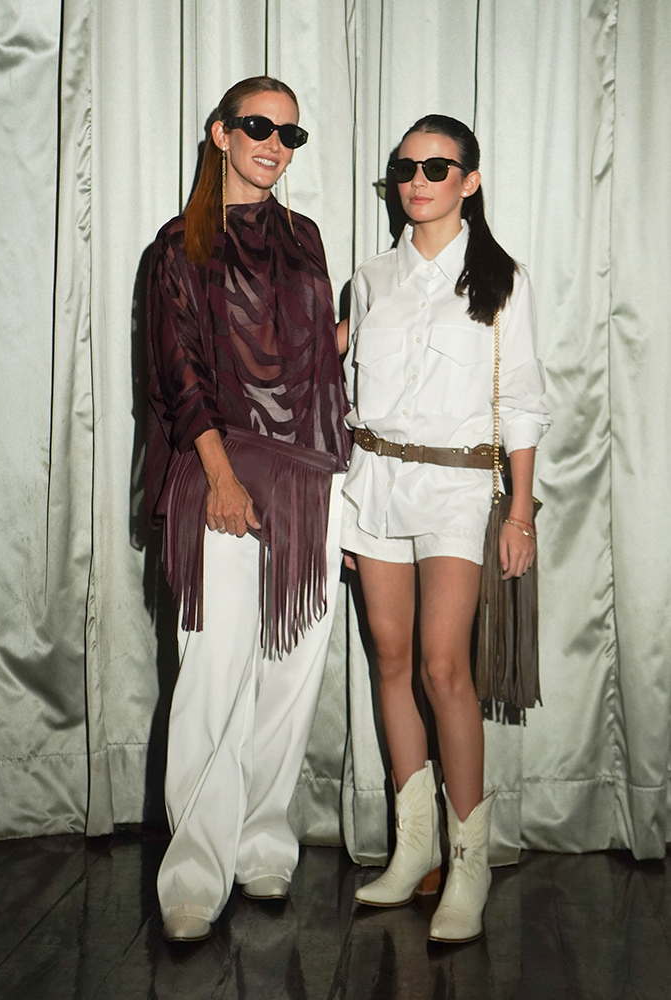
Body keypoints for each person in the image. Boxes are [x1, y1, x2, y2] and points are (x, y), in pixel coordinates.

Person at [145, 76, 351, 943]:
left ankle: (264, 845)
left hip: (306, 477)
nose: (275, 143)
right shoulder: (178, 244)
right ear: (221, 133)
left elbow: (313, 362)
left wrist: (356, 331)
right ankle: (195, 871)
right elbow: (179, 371)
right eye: (259, 126)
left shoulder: (305, 238)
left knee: (292, 673)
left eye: (290, 134)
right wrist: (221, 477)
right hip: (219, 471)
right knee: (214, 672)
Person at [341, 115, 550, 943]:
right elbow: (342, 388)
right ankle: (415, 848)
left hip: (458, 489)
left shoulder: (502, 279)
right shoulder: (370, 278)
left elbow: (523, 401)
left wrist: (521, 512)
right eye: (405, 168)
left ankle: (470, 862)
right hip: (373, 481)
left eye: (437, 167)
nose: (418, 181)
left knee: (442, 666)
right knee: (390, 661)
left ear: (469, 181)